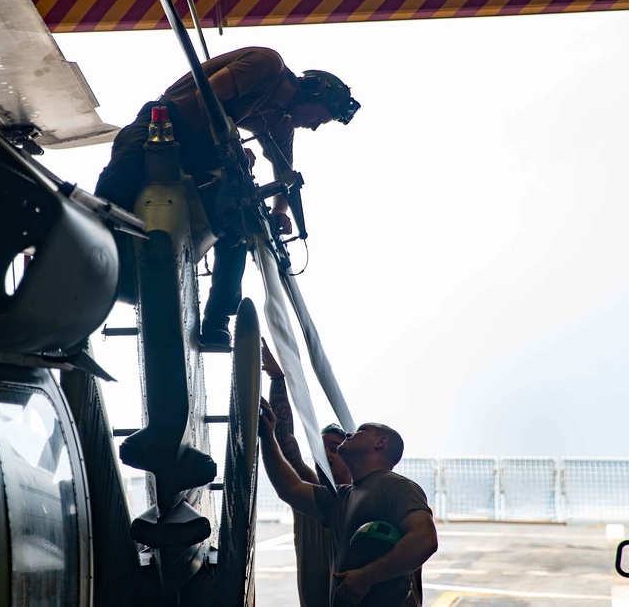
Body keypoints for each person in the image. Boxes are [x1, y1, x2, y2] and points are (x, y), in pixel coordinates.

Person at [94, 47, 360, 351]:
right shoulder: (267, 65)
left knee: (239, 219)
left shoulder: (279, 121)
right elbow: (207, 95)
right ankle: (93, 246)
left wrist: (279, 211)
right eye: (320, 118)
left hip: (203, 149)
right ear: (313, 93)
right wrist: (230, 146)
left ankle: (217, 320)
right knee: (119, 177)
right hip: (170, 121)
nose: (314, 126)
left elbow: (284, 172)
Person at [259, 403, 438, 606]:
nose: (351, 434)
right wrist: (267, 437)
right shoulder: (342, 497)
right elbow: (290, 489)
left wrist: (366, 576)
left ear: (380, 443)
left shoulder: (397, 487)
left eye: (362, 430)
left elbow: (425, 539)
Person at [261, 339, 352, 607]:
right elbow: (284, 437)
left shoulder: (366, 496)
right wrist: (278, 378)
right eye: (323, 450)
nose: (328, 455)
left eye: (336, 448)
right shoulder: (311, 490)